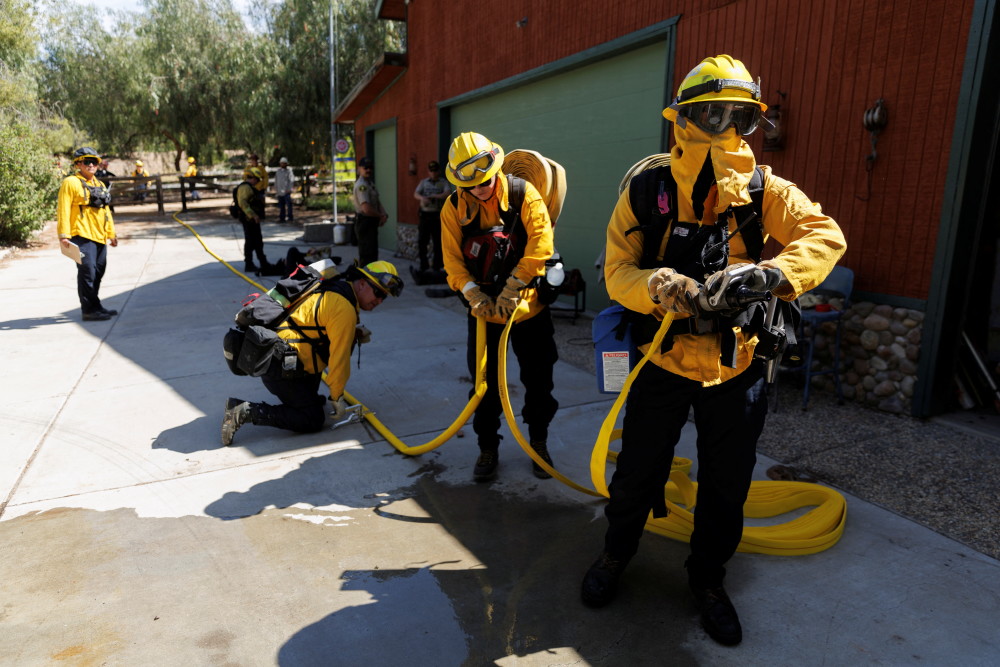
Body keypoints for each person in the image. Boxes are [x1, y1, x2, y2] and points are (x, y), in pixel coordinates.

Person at [580, 55, 847, 646]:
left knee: (727, 484)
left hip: (737, 361)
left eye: (740, 118)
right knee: (637, 470)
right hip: (663, 356)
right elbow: (617, 269)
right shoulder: (646, 190)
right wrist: (657, 285)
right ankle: (616, 554)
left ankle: (707, 580)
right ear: (683, 118)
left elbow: (824, 236)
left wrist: (769, 274)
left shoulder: (765, 190)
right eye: (712, 114)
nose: (725, 128)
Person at [440, 132, 558, 482]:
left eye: (485, 181)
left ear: (496, 168)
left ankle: (538, 442)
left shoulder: (524, 194)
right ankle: (487, 447)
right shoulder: (453, 208)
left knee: (539, 380)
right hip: (483, 313)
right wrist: (473, 294)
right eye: (470, 185)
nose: (479, 189)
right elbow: (452, 261)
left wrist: (514, 286)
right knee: (484, 385)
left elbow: (541, 244)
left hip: (528, 307)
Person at [221, 260, 404, 445]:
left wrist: (353, 333)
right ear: (362, 283)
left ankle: (306, 399)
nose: (379, 301)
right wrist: (337, 396)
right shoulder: (344, 308)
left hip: (279, 356)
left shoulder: (337, 289)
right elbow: (339, 360)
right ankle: (243, 410)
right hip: (279, 367)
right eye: (378, 293)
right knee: (312, 418)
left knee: (313, 399)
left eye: (384, 297)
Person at [57, 147, 118, 321]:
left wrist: (111, 233)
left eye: (94, 162)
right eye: (87, 162)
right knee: (87, 273)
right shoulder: (70, 182)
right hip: (81, 235)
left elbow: (105, 211)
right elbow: (63, 208)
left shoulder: (99, 184)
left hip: (99, 235)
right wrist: (63, 234)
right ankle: (88, 310)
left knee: (98, 271)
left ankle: (95, 305)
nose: (91, 165)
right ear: (78, 164)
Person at [412, 160, 451, 274]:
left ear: (438, 171)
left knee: (437, 241)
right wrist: (423, 198)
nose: (433, 173)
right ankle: (423, 266)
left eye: (435, 171)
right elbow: (416, 194)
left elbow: (448, 193)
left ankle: (437, 266)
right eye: (431, 171)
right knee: (422, 241)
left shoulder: (443, 182)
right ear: (428, 172)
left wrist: (435, 196)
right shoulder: (424, 182)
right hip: (425, 214)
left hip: (437, 215)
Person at [352, 156, 388, 266]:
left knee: (372, 254)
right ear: (359, 169)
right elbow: (366, 208)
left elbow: (377, 202)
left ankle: (371, 275)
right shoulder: (362, 186)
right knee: (367, 256)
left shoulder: (369, 184)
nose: (368, 170)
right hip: (365, 222)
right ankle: (365, 276)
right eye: (365, 168)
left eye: (370, 168)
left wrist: (384, 214)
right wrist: (380, 216)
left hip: (371, 222)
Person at [234, 166, 269, 273]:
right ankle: (249, 264)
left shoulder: (250, 187)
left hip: (252, 219)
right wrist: (253, 215)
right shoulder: (245, 188)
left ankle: (263, 262)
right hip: (249, 219)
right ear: (252, 178)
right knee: (250, 242)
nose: (257, 182)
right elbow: (243, 203)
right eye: (257, 179)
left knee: (258, 241)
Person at [275, 157, 295, 223]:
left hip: (286, 191)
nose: (283, 164)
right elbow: (276, 180)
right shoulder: (278, 171)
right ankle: (282, 218)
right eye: (281, 163)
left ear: (286, 164)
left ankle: (290, 217)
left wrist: (290, 189)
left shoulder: (289, 171)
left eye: (284, 163)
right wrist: (276, 189)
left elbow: (291, 180)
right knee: (281, 206)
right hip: (280, 191)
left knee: (289, 205)